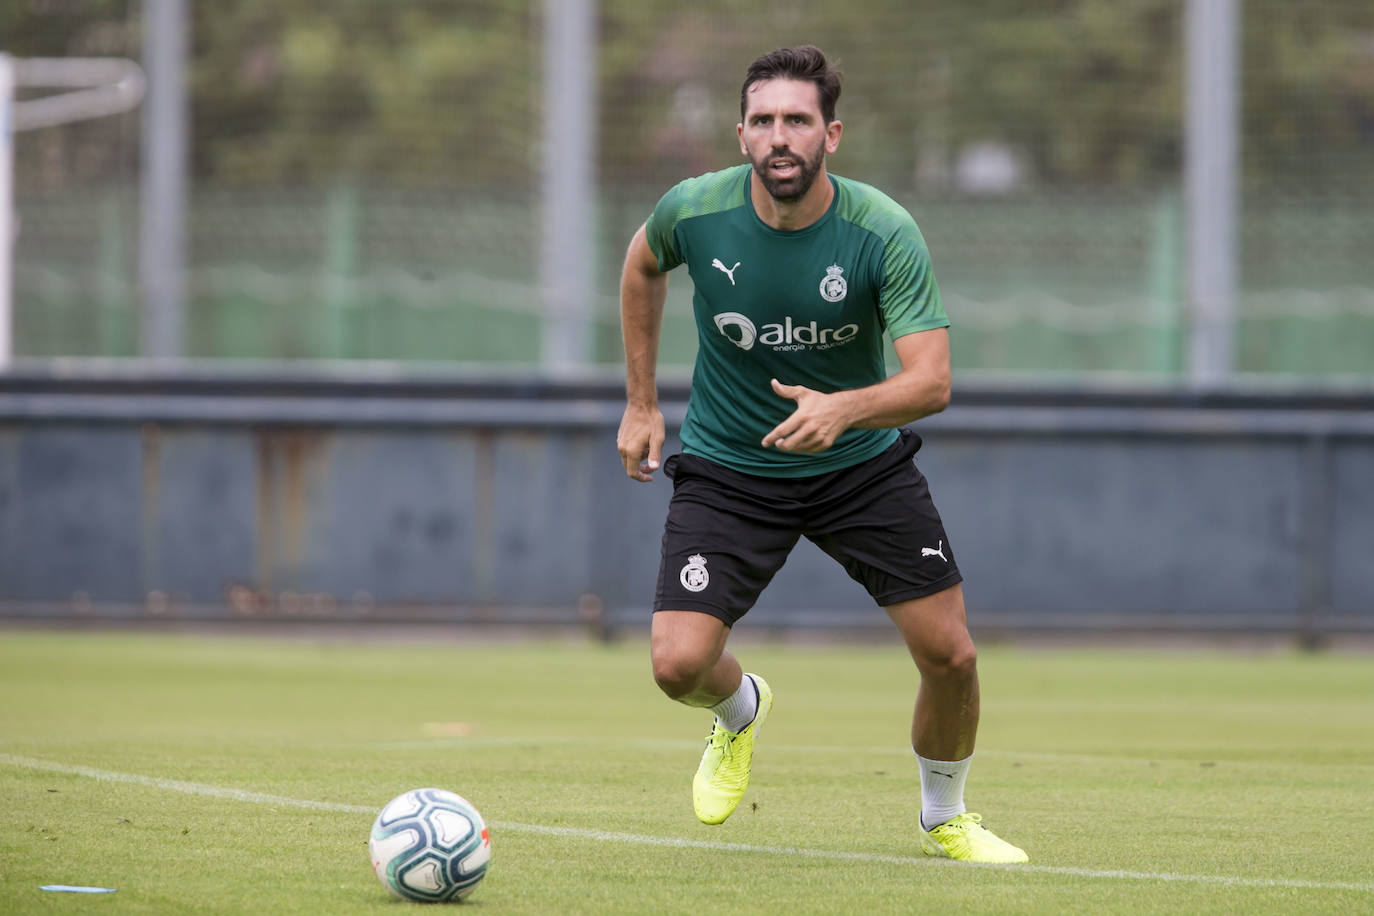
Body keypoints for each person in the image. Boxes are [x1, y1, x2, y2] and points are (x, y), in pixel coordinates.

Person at [615, 45, 1027, 865]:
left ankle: (944, 814)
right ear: (740, 135)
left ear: (830, 135)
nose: (780, 137)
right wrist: (638, 402)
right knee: (676, 664)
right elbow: (641, 266)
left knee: (952, 654)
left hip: (859, 469)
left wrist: (844, 408)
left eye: (797, 121)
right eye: (763, 121)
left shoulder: (881, 230)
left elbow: (933, 381)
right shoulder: (692, 212)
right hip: (731, 468)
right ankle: (740, 711)